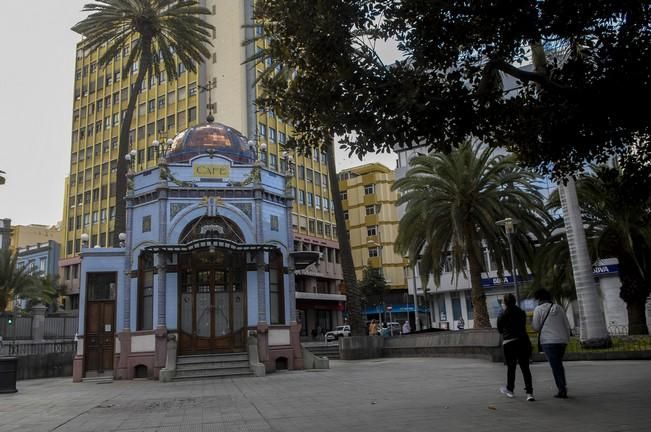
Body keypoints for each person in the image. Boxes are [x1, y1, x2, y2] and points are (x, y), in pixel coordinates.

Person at [532, 288, 571, 399]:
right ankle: (562, 387)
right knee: (558, 364)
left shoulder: (538, 309)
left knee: (556, 366)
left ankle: (562, 389)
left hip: (548, 341)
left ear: (539, 299)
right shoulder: (559, 308)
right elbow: (566, 324)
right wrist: (566, 338)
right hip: (562, 341)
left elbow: (535, 327)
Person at [497, 293, 535, 401]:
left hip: (509, 343)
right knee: (525, 367)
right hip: (522, 341)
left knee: (511, 367)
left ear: (505, 302)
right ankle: (529, 393)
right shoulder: (521, 312)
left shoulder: (502, 314)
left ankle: (510, 390)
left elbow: (499, 329)